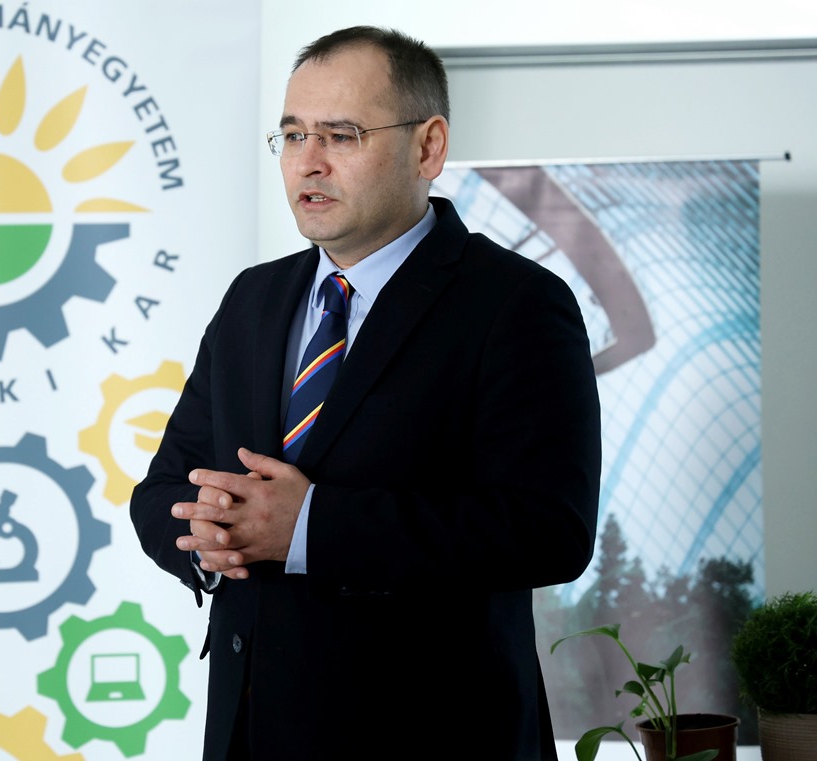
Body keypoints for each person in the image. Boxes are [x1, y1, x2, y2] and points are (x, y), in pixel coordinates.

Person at [130, 25, 601, 761]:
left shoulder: (515, 304)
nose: (308, 162)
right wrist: (206, 532)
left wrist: (311, 527)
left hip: (433, 736)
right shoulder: (252, 300)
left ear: (428, 148)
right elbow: (164, 487)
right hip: (251, 733)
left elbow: (550, 529)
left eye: (341, 135)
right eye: (293, 135)